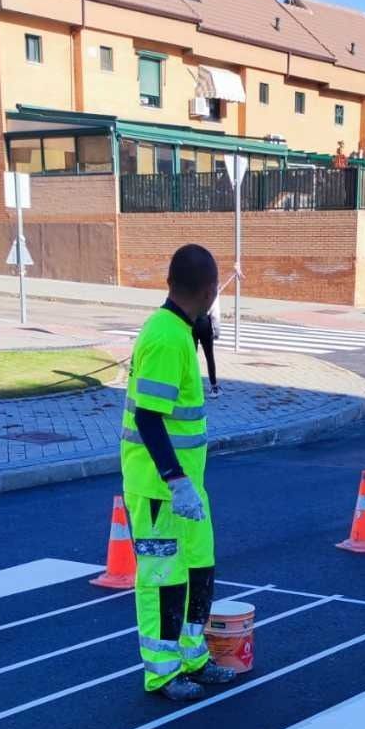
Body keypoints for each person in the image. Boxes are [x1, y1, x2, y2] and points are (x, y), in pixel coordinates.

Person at [120, 244, 238, 703]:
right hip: (159, 489)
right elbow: (149, 418)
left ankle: (193, 657)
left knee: (198, 570)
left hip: (186, 488)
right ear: (209, 291)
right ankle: (163, 672)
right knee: (163, 579)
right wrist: (175, 480)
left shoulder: (178, 329)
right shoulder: (166, 338)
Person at [193, 306, 219, 396]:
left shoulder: (192, 291)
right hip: (205, 323)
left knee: (191, 357)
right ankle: (214, 386)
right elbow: (215, 313)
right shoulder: (211, 291)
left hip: (192, 322)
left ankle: (190, 385)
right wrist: (217, 330)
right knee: (209, 356)